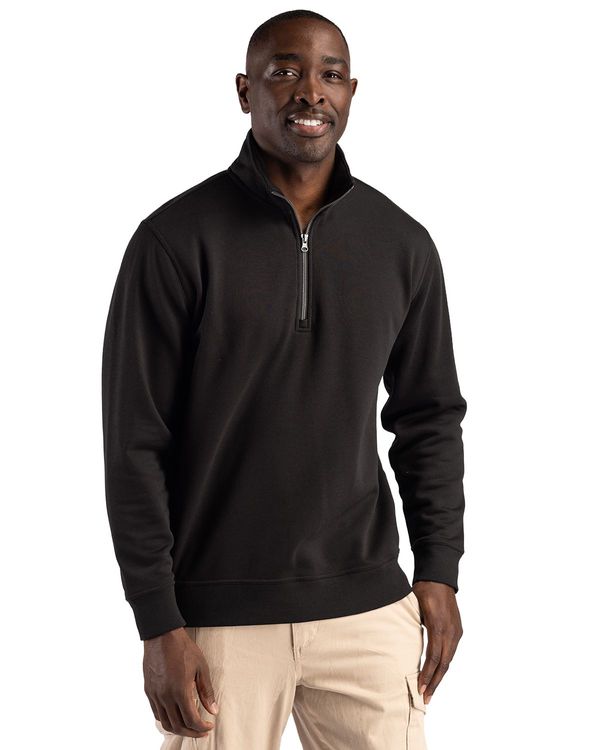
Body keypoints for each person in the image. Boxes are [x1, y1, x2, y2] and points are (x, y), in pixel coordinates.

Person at [101, 9, 467, 749]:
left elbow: (427, 417)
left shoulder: (402, 245)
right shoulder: (174, 241)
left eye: (331, 74)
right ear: (245, 91)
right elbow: (134, 442)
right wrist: (157, 619)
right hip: (218, 617)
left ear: (352, 92)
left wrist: (439, 568)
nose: (311, 92)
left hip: (368, 607)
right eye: (285, 72)